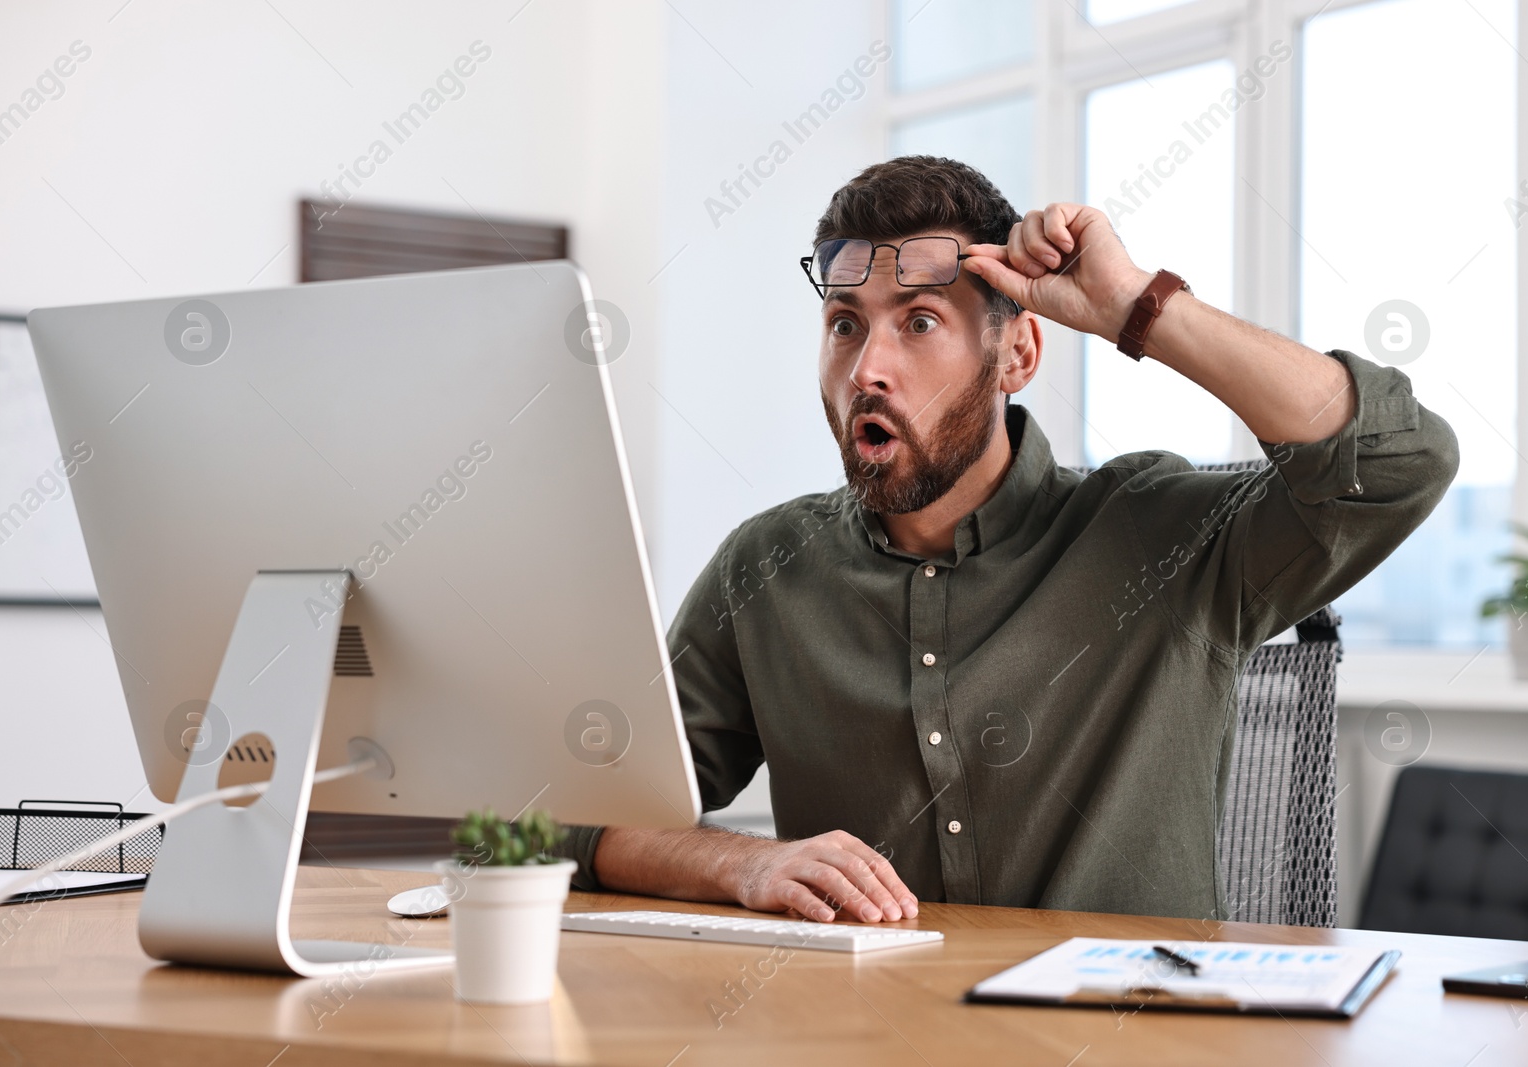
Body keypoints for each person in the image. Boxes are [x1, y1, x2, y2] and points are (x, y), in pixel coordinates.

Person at [559, 155, 1458, 923]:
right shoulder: (767, 568)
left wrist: (1134, 307)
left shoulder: (1162, 538)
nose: (867, 367)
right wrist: (742, 861)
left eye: (919, 322)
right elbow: (571, 809)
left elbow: (1399, 463)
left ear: (1017, 356)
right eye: (845, 324)